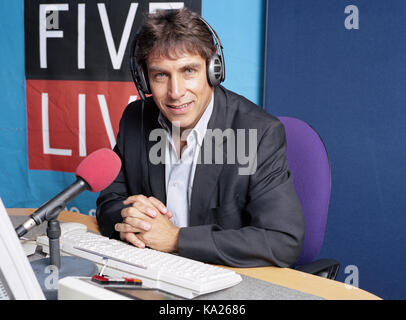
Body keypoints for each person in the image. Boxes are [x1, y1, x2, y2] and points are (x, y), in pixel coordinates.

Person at [96, 8, 305, 268]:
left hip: (224, 279)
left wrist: (176, 239)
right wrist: (130, 221)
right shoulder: (135, 119)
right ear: (145, 80)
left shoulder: (258, 132)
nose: (176, 92)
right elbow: (110, 201)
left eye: (189, 71)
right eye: (161, 75)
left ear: (212, 69)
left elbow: (282, 240)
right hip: (152, 270)